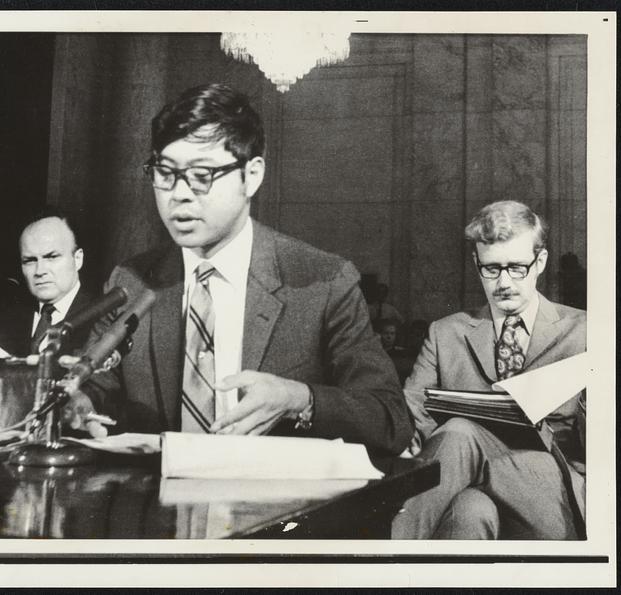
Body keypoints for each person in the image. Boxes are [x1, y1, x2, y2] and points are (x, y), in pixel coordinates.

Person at [65, 83, 411, 453]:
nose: (179, 193)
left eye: (202, 174)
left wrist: (300, 398)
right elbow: (98, 387)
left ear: (252, 175)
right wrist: (81, 404)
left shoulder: (322, 281)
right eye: (165, 172)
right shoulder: (131, 282)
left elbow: (390, 420)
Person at [392, 200, 586, 539]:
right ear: (476, 263)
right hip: (464, 477)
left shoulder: (586, 331)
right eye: (491, 269)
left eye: (516, 268)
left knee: (459, 431)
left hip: (551, 493)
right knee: (470, 510)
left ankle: (381, 564)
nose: (504, 282)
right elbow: (409, 418)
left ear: (540, 262)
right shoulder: (446, 333)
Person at [0, 207, 96, 357]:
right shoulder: (7, 321)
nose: (40, 270)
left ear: (78, 259)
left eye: (52, 257)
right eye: (30, 261)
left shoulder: (101, 319)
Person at [375, 318, 415, 383]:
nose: (389, 337)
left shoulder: (400, 354)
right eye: (386, 333)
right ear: (379, 334)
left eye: (392, 333)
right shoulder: (375, 352)